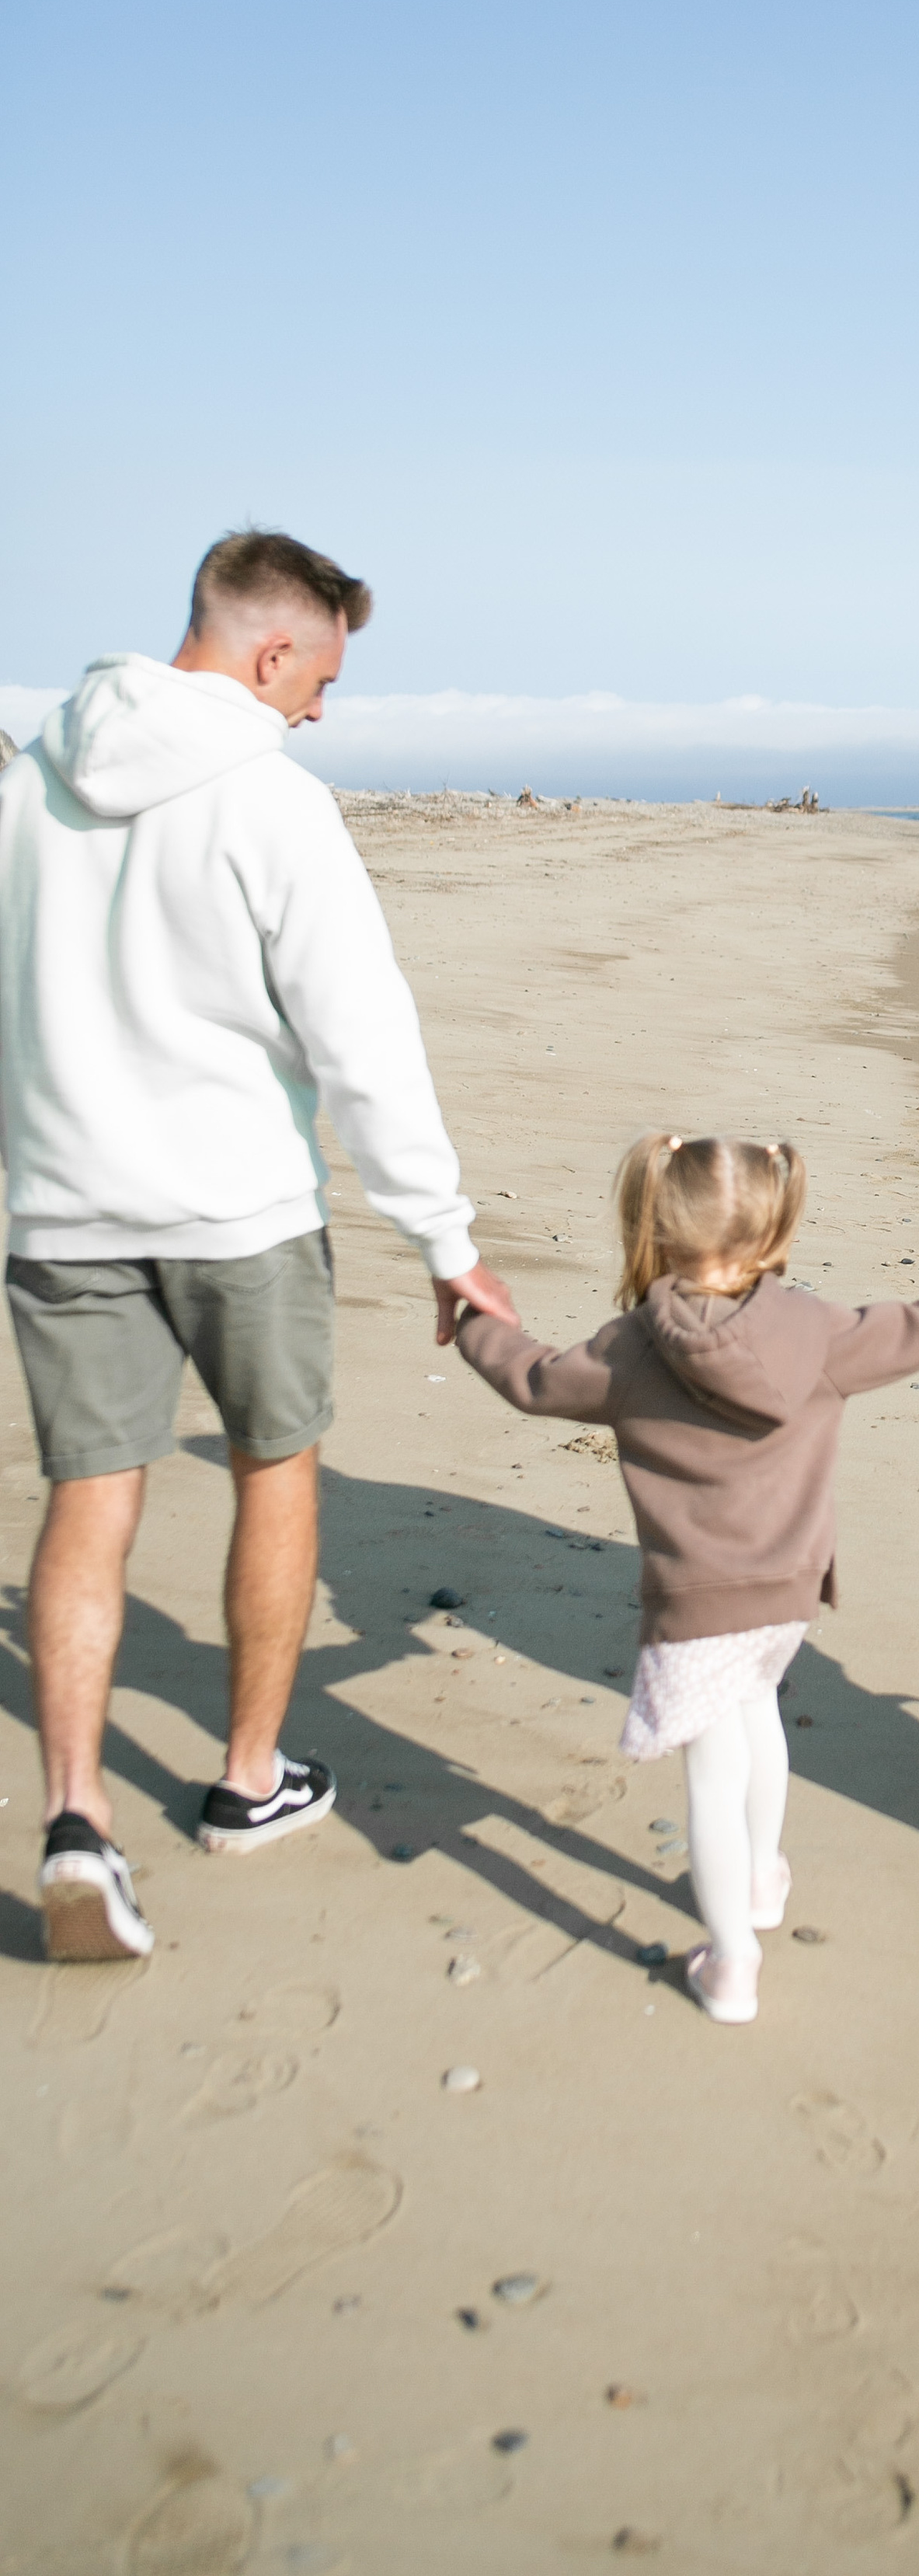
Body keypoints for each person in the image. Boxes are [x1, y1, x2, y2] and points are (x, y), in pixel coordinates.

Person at [0, 530, 517, 1962]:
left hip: (59, 1205)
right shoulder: (273, 806)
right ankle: (245, 1779)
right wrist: (443, 1239)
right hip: (239, 1211)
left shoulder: (26, 788)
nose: (321, 709)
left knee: (88, 1498)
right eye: (323, 678)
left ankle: (74, 1820)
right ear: (271, 649)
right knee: (272, 1468)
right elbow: (363, 1045)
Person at [455, 1132, 919, 2025]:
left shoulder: (629, 1349)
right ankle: (762, 1880)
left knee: (712, 1770)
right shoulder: (819, 1333)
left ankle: (731, 1961)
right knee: (757, 1716)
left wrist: (472, 1320)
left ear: (652, 1229)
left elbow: (535, 1380)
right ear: (775, 1225)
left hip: (696, 1603)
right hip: (789, 1594)